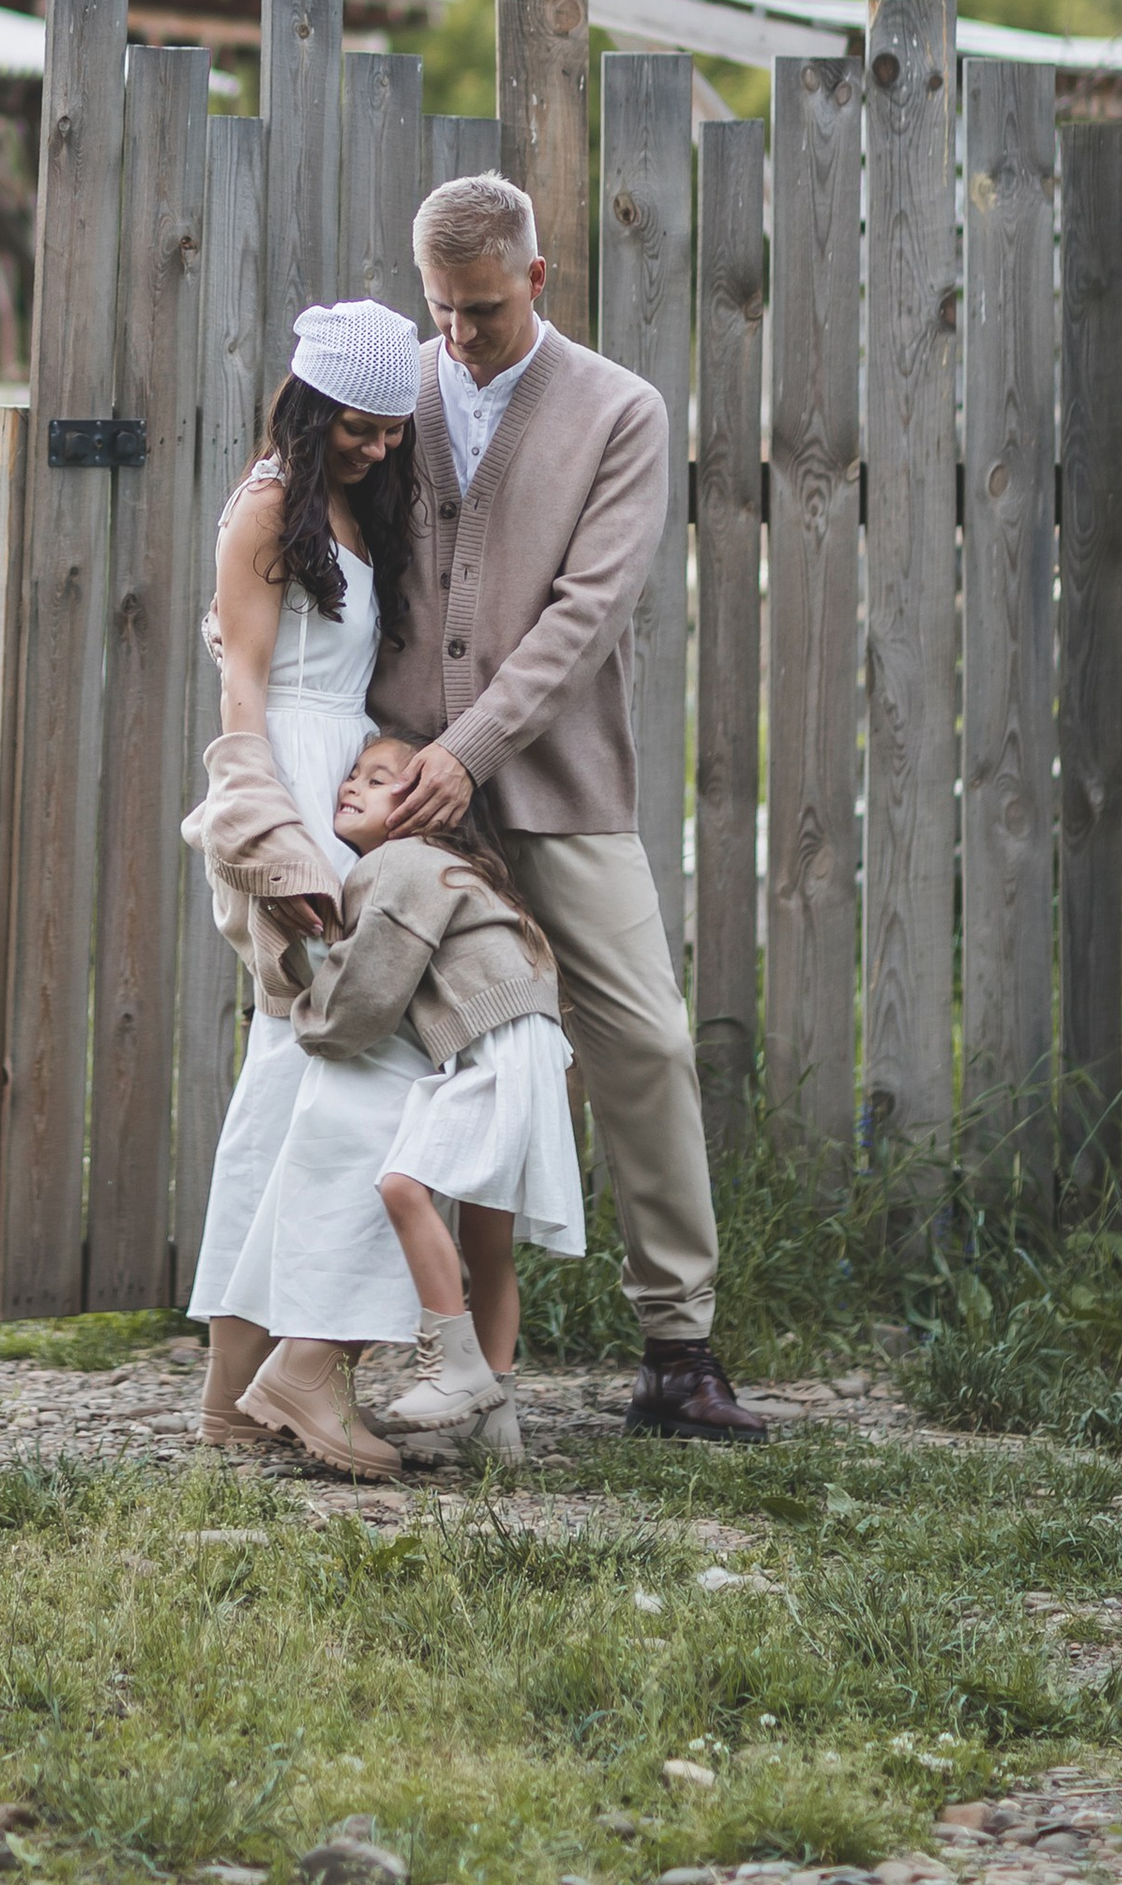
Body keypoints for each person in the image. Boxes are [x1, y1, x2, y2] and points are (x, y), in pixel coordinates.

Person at [370, 170, 768, 1444]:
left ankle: (678, 1346)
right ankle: (361, 1334)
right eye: (440, 308)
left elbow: (586, 614)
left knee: (643, 1040)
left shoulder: (619, 410)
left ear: (536, 280)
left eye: (481, 308)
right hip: (403, 790)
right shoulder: (400, 389)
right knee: (374, 1032)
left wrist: (472, 749)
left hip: (558, 780)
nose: (459, 334)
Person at [210, 726, 582, 1475]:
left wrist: (304, 1008)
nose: (352, 784)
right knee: (488, 1239)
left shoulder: (400, 863)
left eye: (380, 779)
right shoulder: (451, 869)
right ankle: (494, 1423)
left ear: (428, 808)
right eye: (354, 772)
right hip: (529, 1044)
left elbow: (364, 999)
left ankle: (451, 1370)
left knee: (401, 1184)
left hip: (493, 1046)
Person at [181, 294, 422, 1449]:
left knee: (299, 1088)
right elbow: (244, 694)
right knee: (319, 1082)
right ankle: (274, 1382)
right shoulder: (270, 507)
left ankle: (252, 1390)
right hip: (290, 792)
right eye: (360, 426)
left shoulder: (355, 503)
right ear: (310, 403)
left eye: (392, 429)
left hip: (349, 794)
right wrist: (275, 848)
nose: (378, 446)